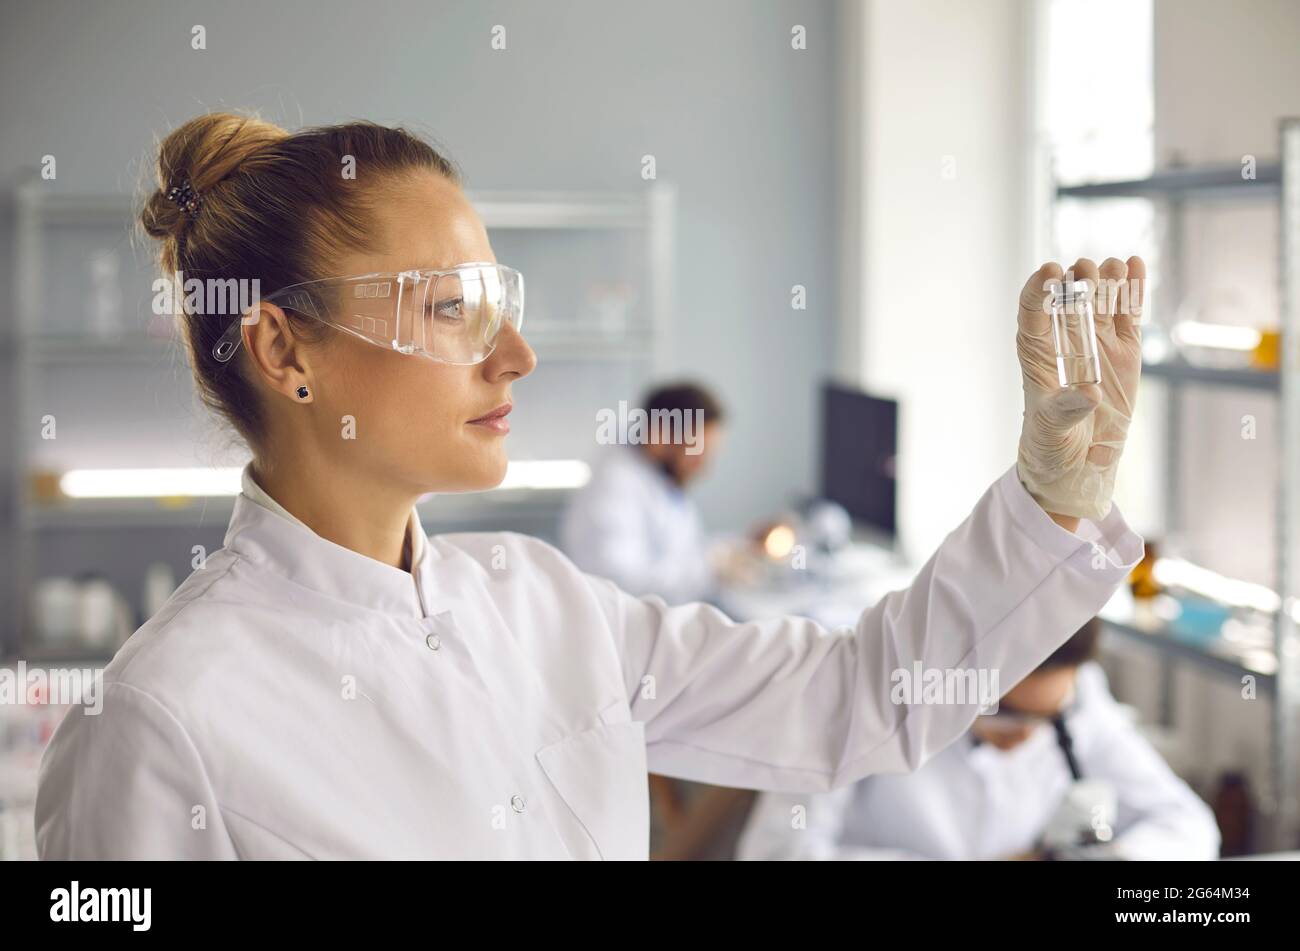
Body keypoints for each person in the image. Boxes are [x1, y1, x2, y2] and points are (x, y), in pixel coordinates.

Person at [34, 112, 1145, 860]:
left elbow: (860, 700)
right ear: (285, 353)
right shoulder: (160, 721)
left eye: (498, 300)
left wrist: (1048, 503)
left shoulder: (540, 600)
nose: (513, 354)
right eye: (450, 307)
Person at [736, 618, 1221, 861]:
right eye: (1007, 716)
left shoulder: (1079, 701)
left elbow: (1188, 824)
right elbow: (776, 855)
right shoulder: (862, 697)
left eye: (1044, 721)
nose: (1023, 740)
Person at [560, 381, 724, 607]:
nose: (702, 467)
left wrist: (735, 550)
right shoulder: (615, 484)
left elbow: (681, 551)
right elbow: (620, 579)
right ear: (659, 435)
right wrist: (712, 571)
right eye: (697, 452)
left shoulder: (662, 479)